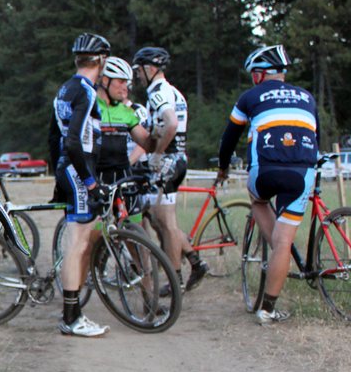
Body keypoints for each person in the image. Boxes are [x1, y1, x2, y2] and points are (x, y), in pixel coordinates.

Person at [216, 45, 318, 324]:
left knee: (258, 199)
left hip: (265, 169)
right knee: (286, 241)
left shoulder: (250, 96)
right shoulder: (307, 96)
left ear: (261, 75)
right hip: (302, 170)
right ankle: (268, 309)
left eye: (253, 75)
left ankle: (275, 249)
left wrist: (223, 167)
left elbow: (229, 138)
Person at [132, 46, 208, 293]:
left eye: (139, 70)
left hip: (168, 162)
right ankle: (191, 264)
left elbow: (172, 123)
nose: (137, 76)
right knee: (159, 220)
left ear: (150, 68)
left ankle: (176, 279)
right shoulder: (171, 90)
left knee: (165, 223)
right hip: (175, 159)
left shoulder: (158, 92)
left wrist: (156, 153)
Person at [53, 33, 112, 338]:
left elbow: (57, 137)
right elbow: (73, 139)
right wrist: (88, 181)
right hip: (77, 170)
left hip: (70, 169)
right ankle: (71, 318)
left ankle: (72, 314)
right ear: (100, 61)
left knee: (80, 243)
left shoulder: (65, 88)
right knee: (76, 246)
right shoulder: (85, 91)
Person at [94, 56, 151, 186]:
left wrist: (163, 135)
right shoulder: (89, 106)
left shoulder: (126, 110)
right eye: (121, 81)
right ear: (105, 80)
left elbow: (146, 143)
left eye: (127, 82)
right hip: (95, 178)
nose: (126, 87)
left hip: (123, 178)